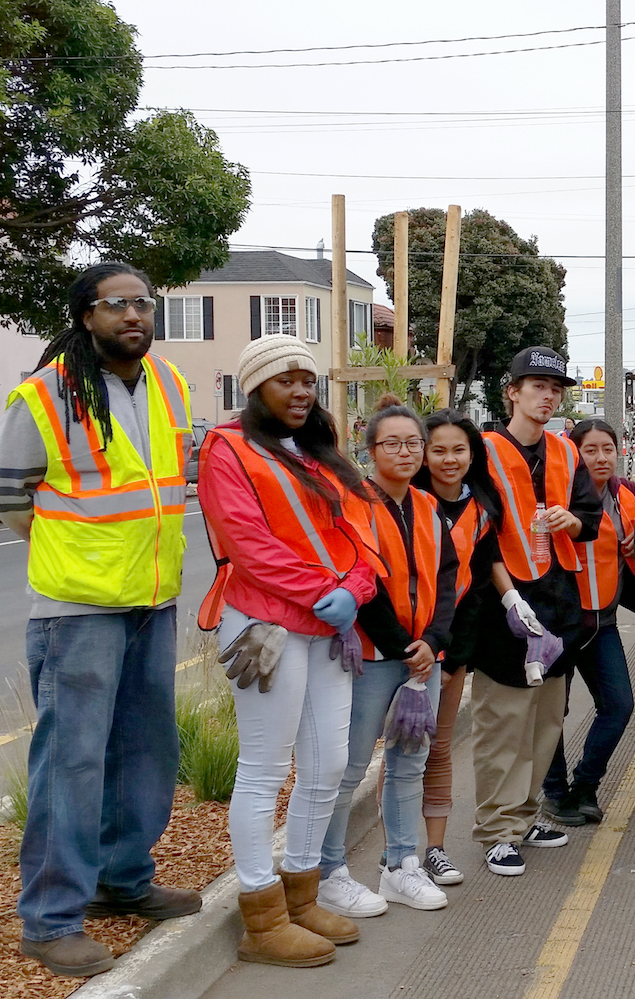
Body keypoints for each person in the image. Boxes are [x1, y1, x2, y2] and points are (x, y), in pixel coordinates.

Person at [0, 262, 202, 977]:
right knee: (71, 763)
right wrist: (72, 553)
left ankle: (122, 879)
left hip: (152, 598)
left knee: (147, 751)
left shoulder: (169, 383)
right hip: (78, 609)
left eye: (143, 303)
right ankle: (49, 920)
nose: (134, 315)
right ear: (86, 315)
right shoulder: (46, 393)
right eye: (117, 305)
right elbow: (7, 494)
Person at [196, 335, 376, 967]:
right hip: (265, 628)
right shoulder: (227, 449)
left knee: (328, 765)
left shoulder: (323, 452)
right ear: (255, 388)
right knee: (265, 770)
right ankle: (262, 916)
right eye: (284, 380)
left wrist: (356, 589)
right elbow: (249, 546)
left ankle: (302, 896)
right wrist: (327, 590)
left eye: (307, 379)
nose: (300, 391)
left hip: (328, 629)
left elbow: (361, 534)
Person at [315, 397, 458, 915]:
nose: (405, 451)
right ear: (370, 449)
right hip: (373, 657)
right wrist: (406, 647)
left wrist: (434, 644)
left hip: (424, 658)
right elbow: (364, 582)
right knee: (348, 766)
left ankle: (401, 865)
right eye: (392, 443)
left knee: (410, 763)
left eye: (412, 443)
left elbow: (446, 581)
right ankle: (329, 871)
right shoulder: (354, 505)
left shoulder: (429, 508)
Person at [471, 346, 604, 876]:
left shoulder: (567, 453)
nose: (547, 395)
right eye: (536, 386)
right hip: (504, 608)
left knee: (546, 721)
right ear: (512, 392)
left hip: (558, 603)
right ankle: (496, 830)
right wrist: (508, 598)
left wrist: (571, 522)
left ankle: (526, 817)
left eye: (555, 388)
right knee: (503, 722)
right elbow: (475, 536)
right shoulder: (482, 451)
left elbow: (589, 518)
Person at [413, 410, 503, 888]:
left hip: (448, 651)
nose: (450, 459)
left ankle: (434, 850)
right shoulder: (405, 503)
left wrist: (453, 657)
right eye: (439, 449)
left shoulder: (482, 510)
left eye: (459, 450)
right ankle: (399, 855)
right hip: (400, 649)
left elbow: (475, 591)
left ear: (473, 454)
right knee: (402, 752)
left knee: (438, 749)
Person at [540, 419, 635, 826]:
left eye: (608, 449)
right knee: (552, 713)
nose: (601, 458)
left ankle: (586, 786)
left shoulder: (627, 497)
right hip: (560, 626)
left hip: (603, 623)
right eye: (590, 450)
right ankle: (556, 792)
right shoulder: (558, 497)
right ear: (574, 454)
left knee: (619, 705)